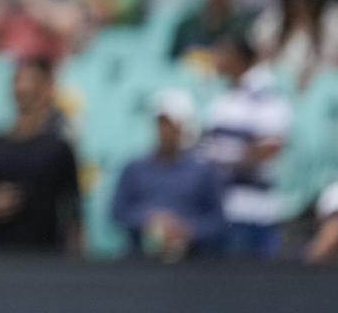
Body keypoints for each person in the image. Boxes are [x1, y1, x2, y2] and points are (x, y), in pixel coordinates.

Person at [0, 58, 80, 254]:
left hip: (47, 258)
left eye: (33, 81)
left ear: (47, 89)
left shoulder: (58, 148)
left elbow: (73, 211)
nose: (25, 87)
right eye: (19, 80)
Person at [198, 33, 291, 257]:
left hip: (250, 210)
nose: (216, 57)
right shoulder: (223, 96)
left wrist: (224, 156)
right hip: (219, 208)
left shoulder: (265, 96)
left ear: (238, 58)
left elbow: (271, 147)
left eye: (222, 52)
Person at [111, 90, 226, 261]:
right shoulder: (134, 168)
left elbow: (217, 220)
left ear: (184, 127)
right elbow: (117, 211)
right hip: (141, 261)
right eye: (161, 123)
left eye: (171, 124)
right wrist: (148, 219)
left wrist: (187, 230)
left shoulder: (203, 172)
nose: (165, 130)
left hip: (192, 263)